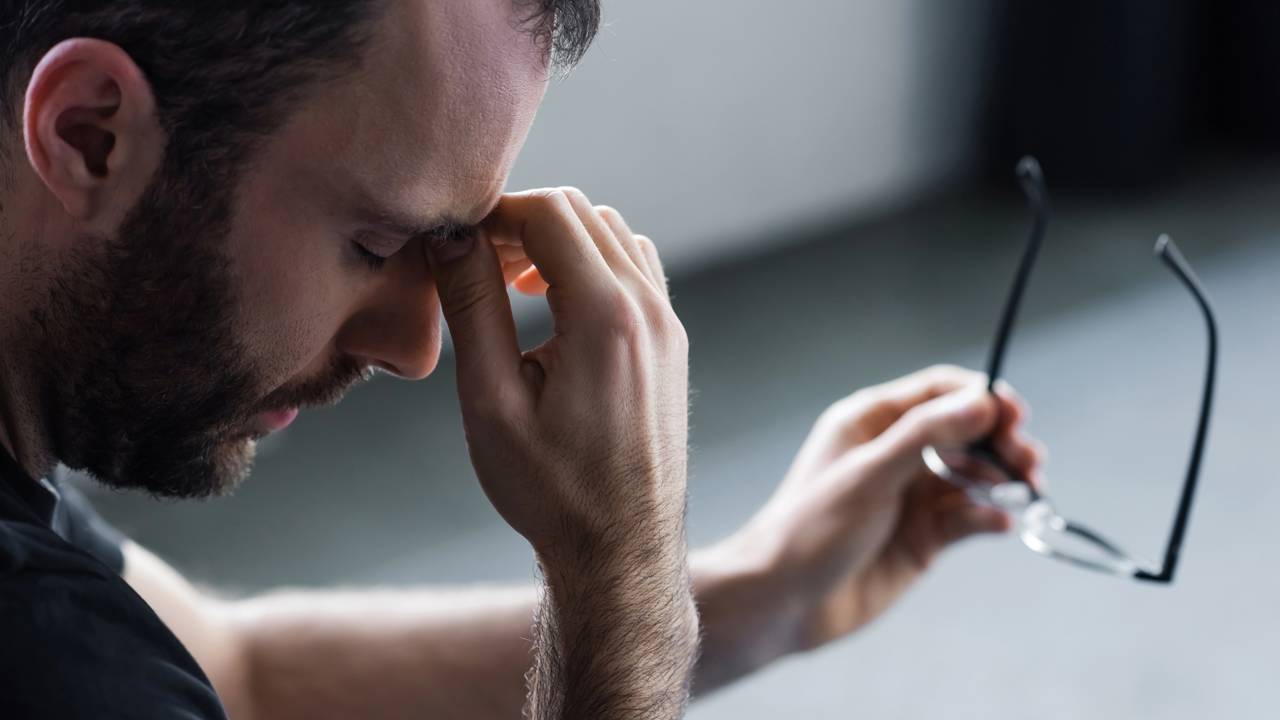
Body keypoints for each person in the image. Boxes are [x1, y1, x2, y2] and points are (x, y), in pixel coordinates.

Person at [0, 1, 1043, 718]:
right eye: (371, 243)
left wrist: (751, 594)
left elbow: (237, 671)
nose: (416, 349)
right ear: (90, 131)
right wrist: (612, 594)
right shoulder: (43, 660)